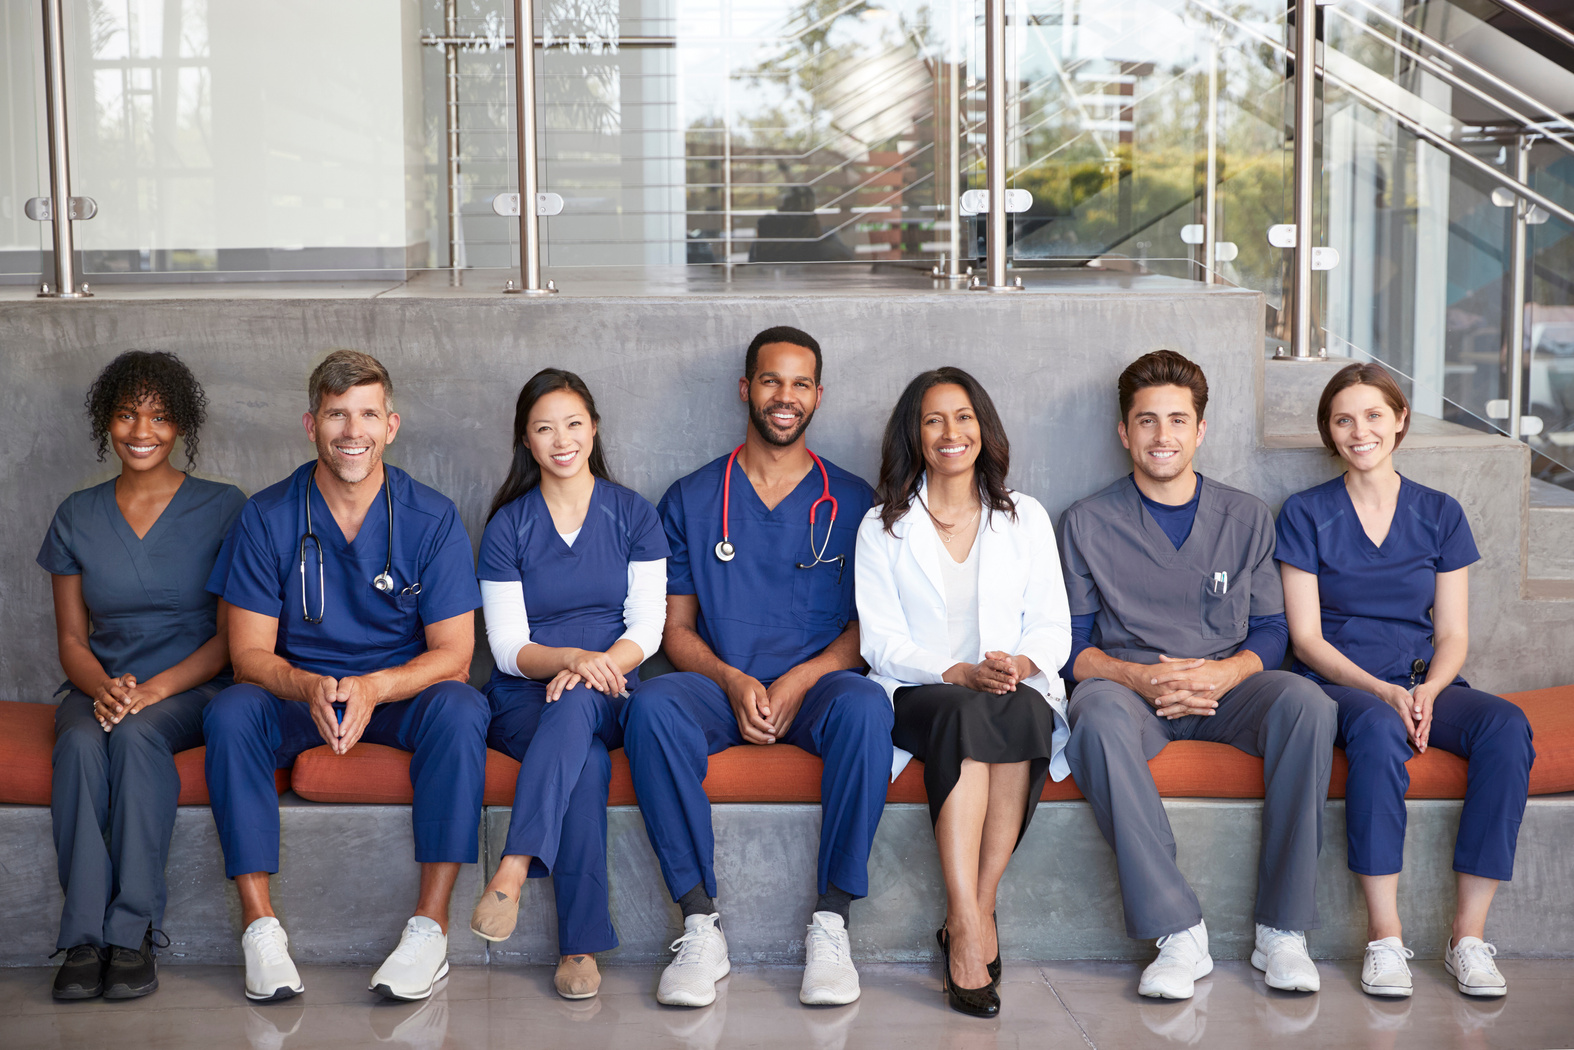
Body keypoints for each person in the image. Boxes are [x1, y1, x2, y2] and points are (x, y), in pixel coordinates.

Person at [202, 350, 488, 1003]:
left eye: (366, 414)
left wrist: (374, 687)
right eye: (336, 415)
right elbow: (246, 653)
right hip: (299, 694)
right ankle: (260, 930)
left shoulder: (432, 518)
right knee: (230, 710)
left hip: (393, 696)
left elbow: (455, 653)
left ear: (391, 425)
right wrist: (309, 686)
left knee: (463, 709)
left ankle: (430, 930)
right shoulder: (268, 516)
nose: (350, 430)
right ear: (311, 424)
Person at [621, 326, 893, 1009]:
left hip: (819, 690)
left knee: (868, 708)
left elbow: (870, 631)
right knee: (651, 707)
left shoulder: (855, 501)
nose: (785, 396)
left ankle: (832, 923)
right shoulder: (689, 499)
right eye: (771, 380)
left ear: (818, 396)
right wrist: (735, 681)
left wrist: (798, 679)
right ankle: (698, 924)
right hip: (720, 689)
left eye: (801, 383)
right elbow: (673, 631)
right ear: (746, 389)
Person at [1058, 349, 1337, 1000]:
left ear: (1200, 430)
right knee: (1092, 718)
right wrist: (1135, 678)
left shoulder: (1245, 518)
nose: (1163, 436)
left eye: (1178, 420)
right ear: (1124, 432)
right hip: (1131, 692)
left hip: (1229, 691)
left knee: (1309, 706)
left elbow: (1271, 631)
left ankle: (1283, 932)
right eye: (1147, 421)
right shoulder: (1086, 523)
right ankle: (1178, 933)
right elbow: (1070, 649)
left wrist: (1227, 673)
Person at [1276, 362, 1534, 999]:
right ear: (1329, 432)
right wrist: (1383, 692)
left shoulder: (1440, 513)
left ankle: (1466, 939)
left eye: (1372, 415)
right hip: (1339, 684)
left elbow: (1453, 636)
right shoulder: (1305, 513)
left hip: (1423, 682)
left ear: (1400, 422)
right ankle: (1384, 940)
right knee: (1376, 730)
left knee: (1506, 727)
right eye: (1343, 419)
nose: (1359, 430)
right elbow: (1306, 638)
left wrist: (1428, 690)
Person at [855, 367, 1071, 1017]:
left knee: (1021, 713)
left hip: (1010, 682)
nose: (952, 432)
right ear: (914, 436)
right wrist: (955, 669)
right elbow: (880, 641)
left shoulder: (1023, 516)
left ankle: (971, 910)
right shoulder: (882, 526)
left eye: (964, 417)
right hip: (923, 690)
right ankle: (970, 926)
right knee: (964, 715)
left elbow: (1053, 622)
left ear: (984, 428)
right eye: (934, 420)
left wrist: (1020, 662)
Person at [41, 351, 246, 1001]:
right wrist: (103, 687)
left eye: (159, 416)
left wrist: (154, 690)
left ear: (180, 424)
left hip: (190, 686)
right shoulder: (76, 513)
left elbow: (228, 638)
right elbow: (71, 638)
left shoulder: (222, 507)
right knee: (76, 743)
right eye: (127, 414)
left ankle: (130, 933)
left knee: (134, 739)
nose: (142, 430)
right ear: (107, 420)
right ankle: (81, 940)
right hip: (97, 685)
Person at [467, 368, 669, 1000]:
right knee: (582, 762)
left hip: (612, 686)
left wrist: (595, 665)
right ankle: (578, 947)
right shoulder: (507, 527)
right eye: (544, 427)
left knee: (581, 700)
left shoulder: (634, 513)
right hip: (525, 696)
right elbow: (505, 647)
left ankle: (514, 865)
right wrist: (570, 659)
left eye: (574, 423)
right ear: (526, 441)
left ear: (594, 429)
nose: (562, 439)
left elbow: (650, 626)